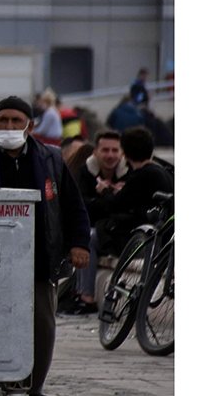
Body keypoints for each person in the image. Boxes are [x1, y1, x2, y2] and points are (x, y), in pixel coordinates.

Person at [0, 96, 90, 396]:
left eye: (17, 121)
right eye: (3, 120)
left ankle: (33, 387)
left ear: (29, 125)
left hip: (39, 259)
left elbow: (72, 205)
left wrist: (79, 243)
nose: (10, 127)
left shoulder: (51, 160)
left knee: (41, 325)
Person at [66, 130, 128, 315]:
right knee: (84, 237)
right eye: (105, 150)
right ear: (96, 152)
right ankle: (82, 295)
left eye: (114, 151)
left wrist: (104, 197)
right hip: (96, 227)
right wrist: (106, 197)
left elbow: (123, 208)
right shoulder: (85, 172)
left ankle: (86, 296)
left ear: (121, 153)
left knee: (89, 238)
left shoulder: (128, 173)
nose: (110, 155)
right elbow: (80, 206)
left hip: (119, 230)